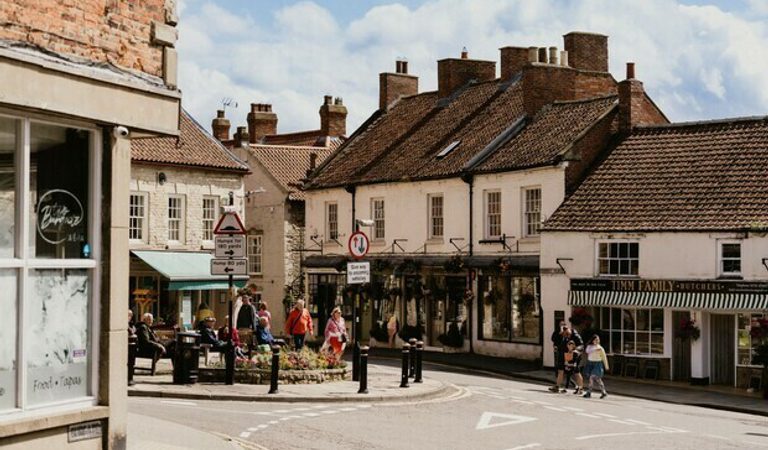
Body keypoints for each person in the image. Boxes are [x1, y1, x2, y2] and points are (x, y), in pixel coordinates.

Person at [583, 334, 610, 399]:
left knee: (592, 377)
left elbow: (604, 357)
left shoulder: (600, 348)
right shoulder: (589, 346)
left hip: (597, 364)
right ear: (592, 340)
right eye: (595, 340)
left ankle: (589, 392)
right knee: (597, 379)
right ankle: (603, 392)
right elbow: (587, 351)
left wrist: (606, 366)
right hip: (590, 363)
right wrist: (594, 350)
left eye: (598, 340)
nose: (597, 341)